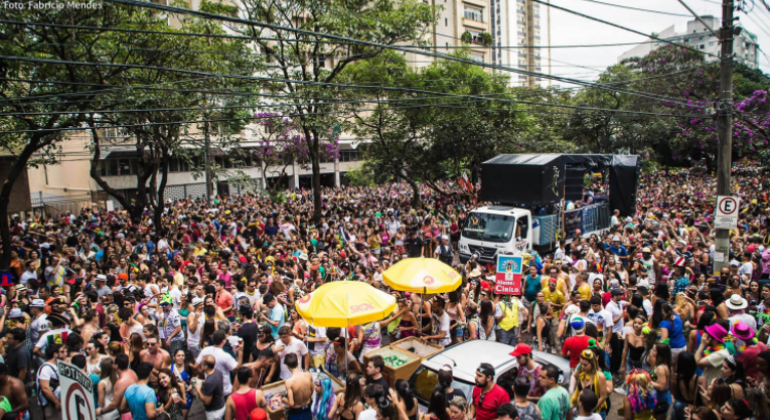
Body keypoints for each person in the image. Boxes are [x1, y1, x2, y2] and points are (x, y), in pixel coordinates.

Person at [196, 330, 241, 396]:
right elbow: (237, 368)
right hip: (224, 391)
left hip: (210, 388)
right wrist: (240, 352)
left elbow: (196, 366)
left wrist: (205, 375)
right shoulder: (225, 356)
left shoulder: (205, 350)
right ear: (223, 341)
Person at [571, 350, 607, 418]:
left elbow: (603, 397)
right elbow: (577, 391)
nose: (582, 366)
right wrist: (571, 403)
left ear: (592, 364)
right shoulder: (582, 374)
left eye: (585, 365)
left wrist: (589, 411)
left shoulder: (600, 376)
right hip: (582, 411)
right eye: (581, 364)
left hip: (596, 412)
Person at [36, 344, 65, 420]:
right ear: (55, 354)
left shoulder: (56, 366)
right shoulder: (46, 368)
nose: (64, 353)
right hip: (50, 405)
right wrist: (56, 402)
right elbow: (45, 388)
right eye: (61, 351)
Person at [282, 353, 314, 420]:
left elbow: (291, 403)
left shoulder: (289, 382)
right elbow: (312, 390)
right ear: (298, 362)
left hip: (296, 411)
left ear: (287, 366)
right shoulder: (308, 375)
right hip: (308, 407)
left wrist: (285, 400)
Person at [197, 355, 226, 420]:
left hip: (214, 412)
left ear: (205, 367)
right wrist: (201, 381)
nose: (200, 365)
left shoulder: (209, 382)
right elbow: (213, 383)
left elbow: (207, 401)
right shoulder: (217, 372)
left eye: (201, 364)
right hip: (221, 404)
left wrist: (198, 390)